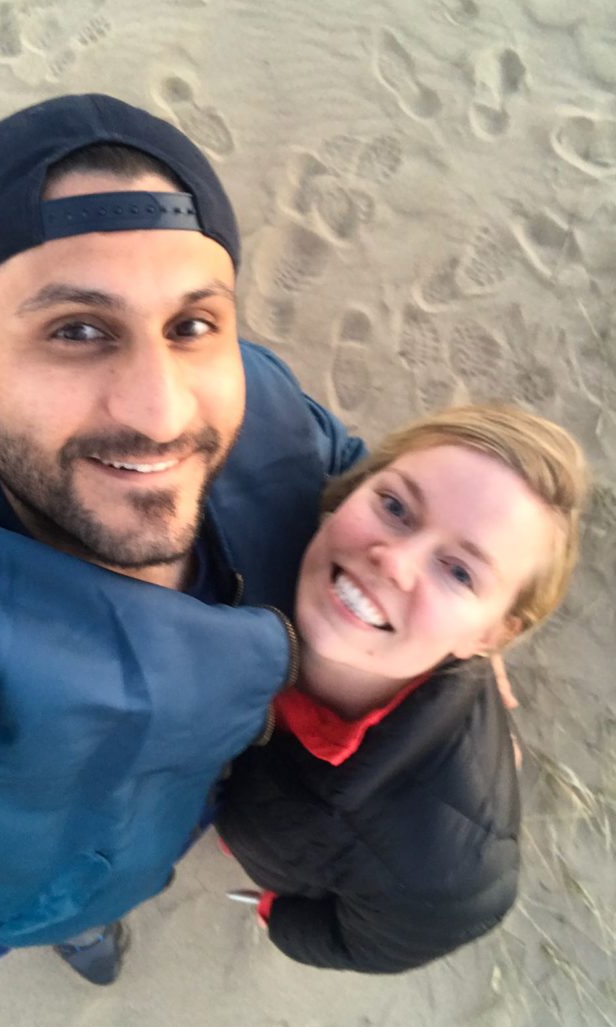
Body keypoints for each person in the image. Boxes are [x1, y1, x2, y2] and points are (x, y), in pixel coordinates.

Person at [0, 94, 365, 1027]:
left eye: (194, 324)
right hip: (34, 876)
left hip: (199, 797)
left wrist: (460, 653)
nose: (159, 410)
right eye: (77, 329)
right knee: (69, 914)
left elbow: (352, 475)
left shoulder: (262, 400)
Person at [216, 404, 588, 972]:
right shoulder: (247, 541)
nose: (394, 563)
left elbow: (364, 944)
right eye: (394, 506)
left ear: (491, 634)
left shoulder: (452, 880)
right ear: (353, 491)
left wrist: (277, 917)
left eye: (460, 572)